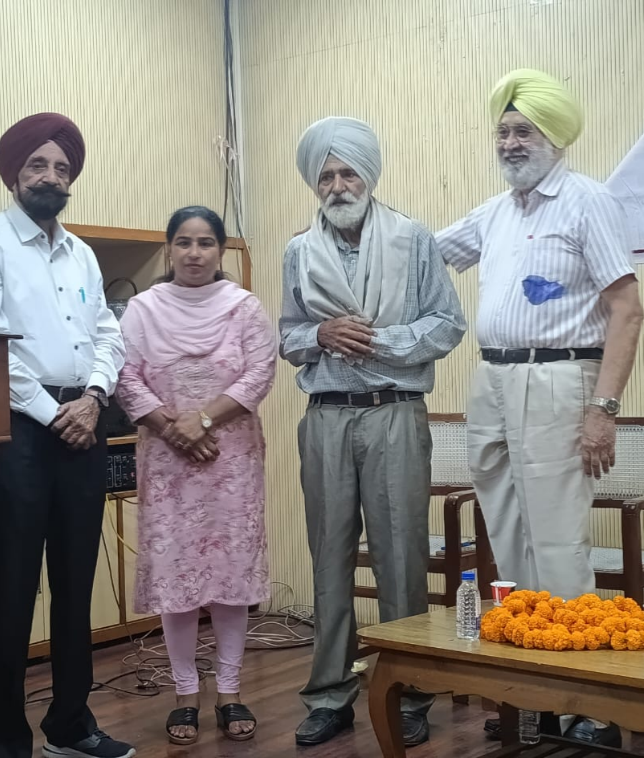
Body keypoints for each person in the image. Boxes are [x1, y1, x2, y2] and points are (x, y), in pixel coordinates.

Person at [437, 69, 644, 747]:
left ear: (555, 137)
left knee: (557, 544)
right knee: (509, 538)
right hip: (492, 382)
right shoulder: (495, 212)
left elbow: (626, 310)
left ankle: (592, 706)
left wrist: (603, 408)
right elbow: (424, 254)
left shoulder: (588, 201)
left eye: (523, 131)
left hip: (559, 381)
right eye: (502, 131)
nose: (509, 143)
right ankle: (541, 692)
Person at [0, 113, 133, 758]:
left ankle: (70, 725)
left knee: (77, 582)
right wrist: (54, 413)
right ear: (14, 174)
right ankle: (2, 739)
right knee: (10, 587)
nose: (51, 177)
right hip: (17, 432)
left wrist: (95, 399)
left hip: (85, 421)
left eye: (61, 168)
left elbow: (108, 334)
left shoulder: (81, 253)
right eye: (38, 166)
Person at [280, 117, 467, 748]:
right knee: (329, 557)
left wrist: (378, 341)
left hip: (394, 411)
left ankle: (408, 690)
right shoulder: (298, 251)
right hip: (326, 416)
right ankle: (330, 695)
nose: (337, 186)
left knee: (400, 554)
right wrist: (320, 333)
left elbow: (447, 322)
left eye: (347, 173)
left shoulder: (413, 239)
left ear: (369, 175)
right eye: (326, 176)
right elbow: (287, 337)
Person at [115, 206, 276, 746]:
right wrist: (173, 429)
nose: (193, 253)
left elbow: (260, 373)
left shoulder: (244, 307)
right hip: (168, 463)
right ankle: (185, 693)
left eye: (205, 242)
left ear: (221, 251)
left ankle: (230, 690)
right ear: (168, 249)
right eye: (183, 242)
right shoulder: (142, 308)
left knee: (230, 579)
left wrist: (202, 419)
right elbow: (125, 377)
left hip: (231, 459)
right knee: (177, 580)